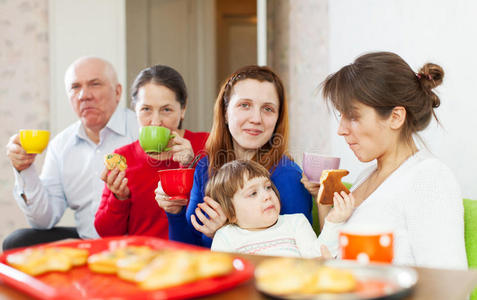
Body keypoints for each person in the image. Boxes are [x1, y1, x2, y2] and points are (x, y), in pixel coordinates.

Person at [303, 51, 467, 269]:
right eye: (340, 115)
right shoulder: (366, 177)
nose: (341, 130)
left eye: (353, 116)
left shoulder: (429, 178)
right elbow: (343, 253)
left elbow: (449, 289)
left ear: (396, 117)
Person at [156, 65, 313, 247]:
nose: (256, 118)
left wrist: (221, 234)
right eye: (244, 105)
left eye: (268, 109)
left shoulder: (289, 176)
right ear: (225, 112)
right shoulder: (204, 167)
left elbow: (295, 255)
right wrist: (175, 213)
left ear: (278, 119)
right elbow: (187, 249)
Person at [4, 57, 139, 250]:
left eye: (95, 84)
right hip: (85, 242)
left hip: (133, 242)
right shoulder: (60, 146)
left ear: (117, 92)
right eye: (75, 87)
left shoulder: (141, 130)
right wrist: (24, 169)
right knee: (17, 242)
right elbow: (44, 220)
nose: (84, 95)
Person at [94, 65, 209, 239]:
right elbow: (106, 232)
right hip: (142, 258)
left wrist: (192, 167)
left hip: (190, 258)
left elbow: (221, 219)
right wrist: (119, 198)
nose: (155, 121)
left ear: (183, 109)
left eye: (166, 110)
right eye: (146, 109)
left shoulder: (206, 145)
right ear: (135, 110)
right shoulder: (123, 158)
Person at [210, 160, 354, 258]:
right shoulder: (225, 237)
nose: (267, 195)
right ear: (232, 213)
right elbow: (222, 279)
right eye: (253, 193)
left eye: (268, 187)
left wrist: (334, 221)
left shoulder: (295, 223)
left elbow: (319, 257)